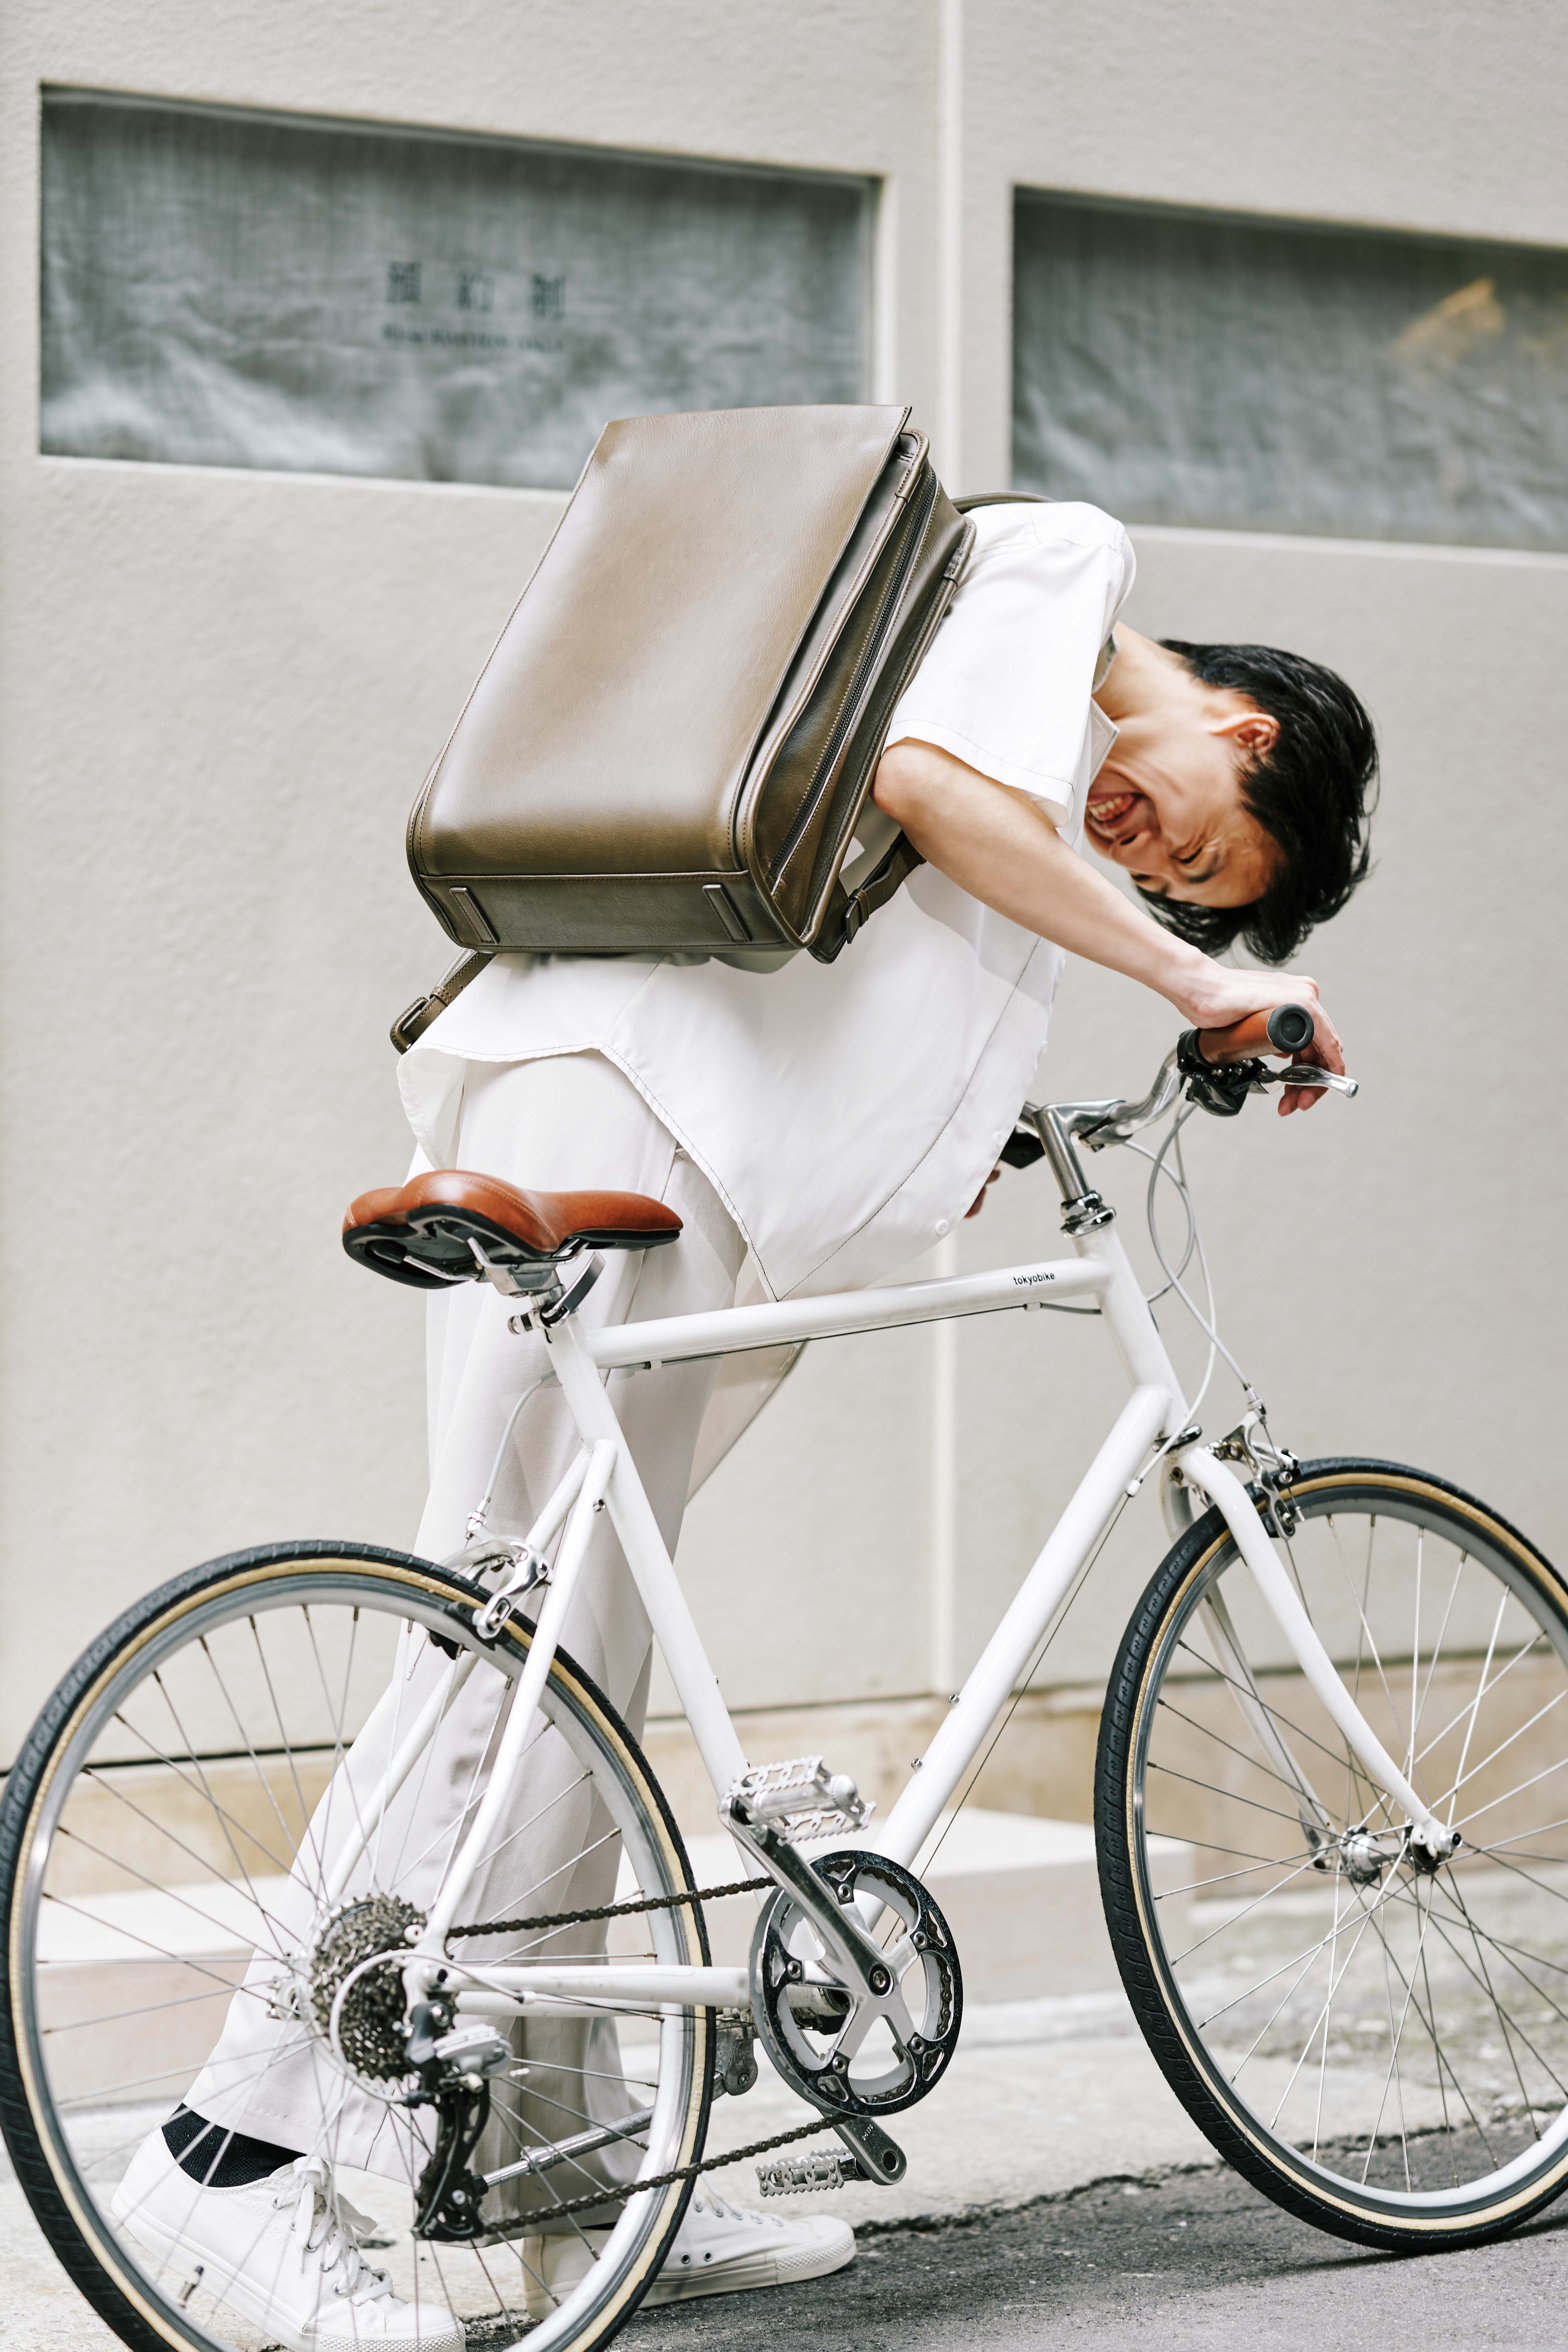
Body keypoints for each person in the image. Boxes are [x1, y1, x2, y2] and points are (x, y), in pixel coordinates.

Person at [112, 497, 1376, 2347]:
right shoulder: (1065, 568)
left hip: (640, 1110)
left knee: (574, 1671)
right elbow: (935, 789)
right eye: (1203, 843)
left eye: (1188, 891)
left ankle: (566, 2175)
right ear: (1243, 731)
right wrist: (1201, 979)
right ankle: (222, 2167)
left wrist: (977, 1122)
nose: (1154, 859)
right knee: (508, 1659)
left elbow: (890, 890)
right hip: (631, 1111)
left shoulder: (1027, 703)